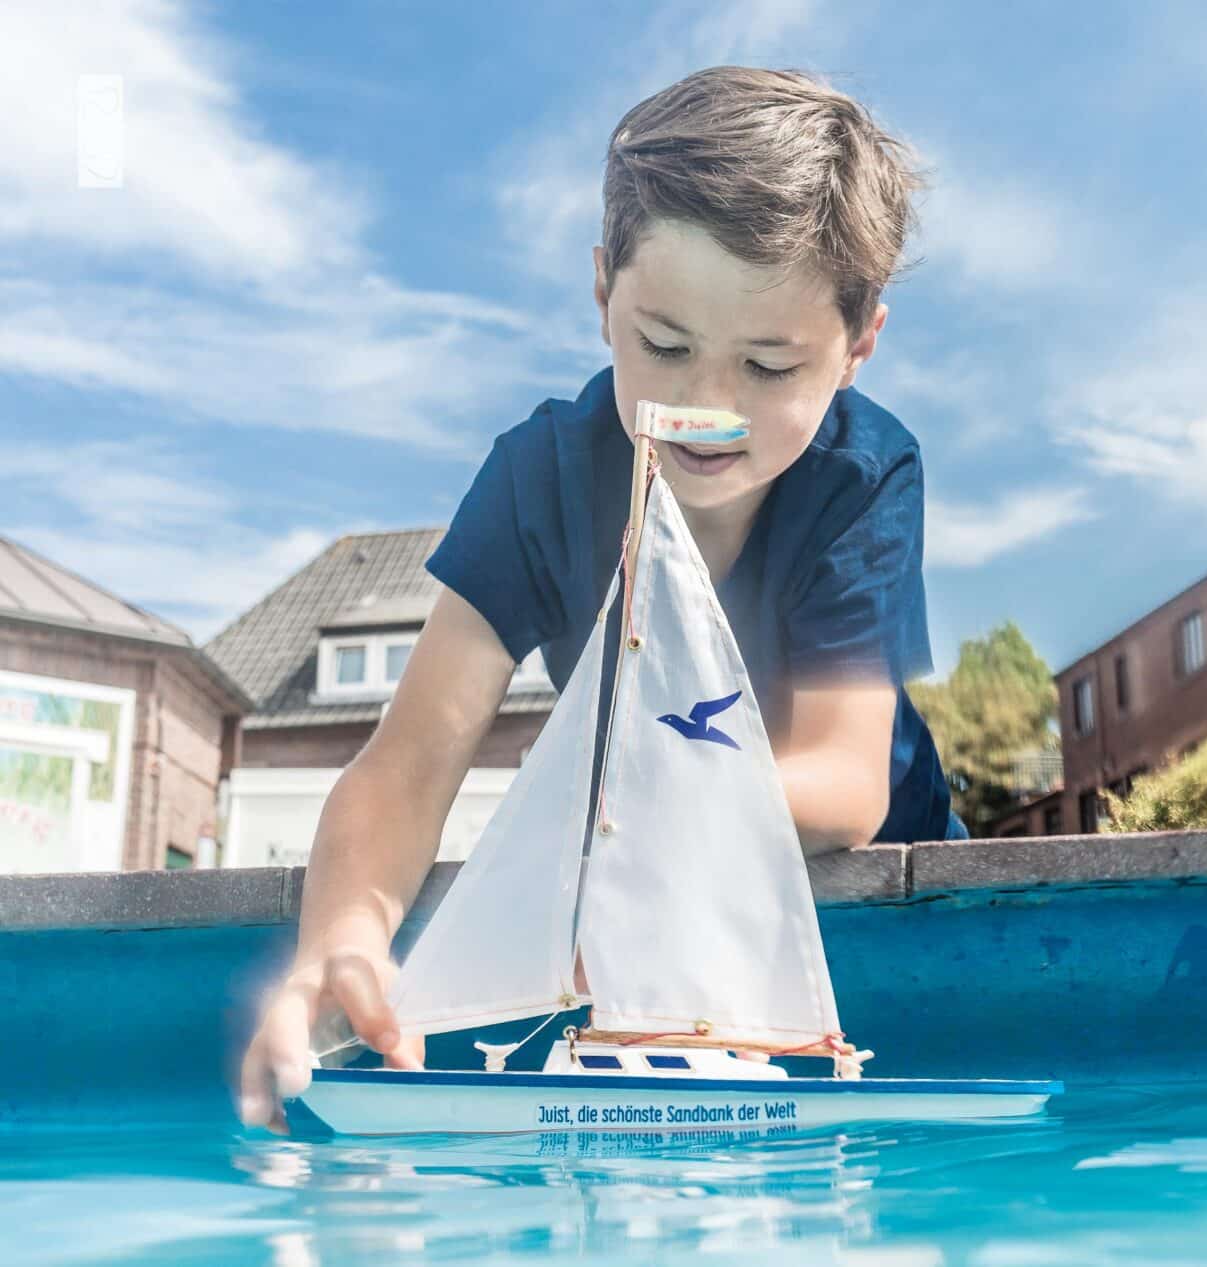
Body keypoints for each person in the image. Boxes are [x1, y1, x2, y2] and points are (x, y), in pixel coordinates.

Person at [237, 67, 954, 1131]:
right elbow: (409, 760)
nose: (703, 407)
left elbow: (846, 782)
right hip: (644, 878)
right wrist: (344, 934)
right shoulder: (543, 477)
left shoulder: (863, 475)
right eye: (662, 346)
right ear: (599, 297)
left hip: (885, 900)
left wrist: (600, 816)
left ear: (858, 350)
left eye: (768, 364)